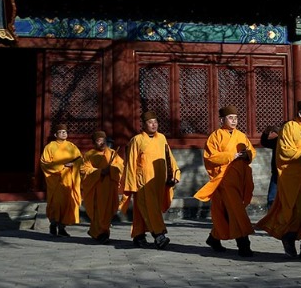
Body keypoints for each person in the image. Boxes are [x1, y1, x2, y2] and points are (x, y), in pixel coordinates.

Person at [256, 99, 301, 259]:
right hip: (296, 177)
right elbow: (284, 151)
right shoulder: (289, 127)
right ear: (300, 114)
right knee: (300, 210)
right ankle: (288, 237)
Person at [195, 106, 256, 257]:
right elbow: (210, 157)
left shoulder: (241, 135)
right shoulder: (215, 136)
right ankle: (244, 244)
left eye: (236, 118)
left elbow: (252, 151)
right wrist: (232, 155)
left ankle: (214, 238)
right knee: (237, 211)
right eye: (230, 118)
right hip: (224, 181)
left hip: (240, 179)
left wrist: (246, 155)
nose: (234, 120)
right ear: (222, 120)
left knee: (227, 213)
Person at [123, 110, 181, 249]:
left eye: (155, 122)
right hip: (143, 181)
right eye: (150, 122)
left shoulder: (161, 138)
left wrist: (175, 173)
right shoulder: (137, 140)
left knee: (141, 209)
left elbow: (168, 156)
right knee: (150, 209)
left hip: (158, 181)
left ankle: (139, 236)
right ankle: (159, 235)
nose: (154, 125)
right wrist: (131, 184)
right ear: (144, 124)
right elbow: (131, 162)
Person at [80, 130, 124, 244]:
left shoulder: (113, 153)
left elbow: (120, 165)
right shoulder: (89, 155)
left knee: (107, 211)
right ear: (94, 143)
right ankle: (101, 234)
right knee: (98, 212)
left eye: (103, 140)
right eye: (99, 141)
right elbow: (84, 170)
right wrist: (99, 172)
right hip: (96, 189)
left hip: (109, 188)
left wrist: (112, 169)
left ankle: (98, 232)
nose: (102, 143)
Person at [40, 123, 83, 237]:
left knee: (67, 203)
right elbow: (45, 163)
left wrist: (73, 164)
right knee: (56, 203)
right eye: (61, 132)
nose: (64, 134)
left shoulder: (71, 146)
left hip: (69, 180)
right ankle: (53, 224)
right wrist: (62, 166)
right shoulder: (50, 147)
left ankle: (62, 227)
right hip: (56, 180)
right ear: (55, 134)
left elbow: (80, 160)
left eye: (65, 132)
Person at [261, 125, 280, 208]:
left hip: (289, 174)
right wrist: (266, 132)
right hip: (276, 173)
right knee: (271, 200)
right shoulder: (277, 141)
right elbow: (264, 142)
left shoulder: (293, 141)